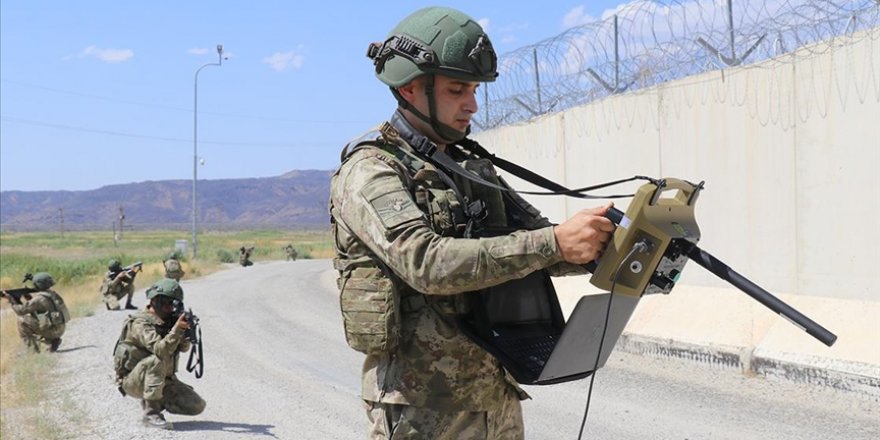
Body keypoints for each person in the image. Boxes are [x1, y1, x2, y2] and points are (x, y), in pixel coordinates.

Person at [330, 6, 615, 439]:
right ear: (410, 89)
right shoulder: (371, 170)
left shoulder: (467, 166)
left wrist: (611, 247)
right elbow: (424, 261)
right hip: (421, 404)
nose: (473, 105)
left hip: (491, 390)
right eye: (458, 89)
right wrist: (554, 244)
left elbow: (537, 244)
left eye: (474, 90)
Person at [113, 278, 205, 430]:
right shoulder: (140, 323)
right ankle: (151, 413)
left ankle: (154, 399)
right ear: (155, 300)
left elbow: (182, 349)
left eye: (174, 304)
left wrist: (185, 333)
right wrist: (176, 330)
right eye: (167, 303)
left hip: (161, 378)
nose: (170, 308)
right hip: (133, 381)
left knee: (197, 405)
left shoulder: (167, 320)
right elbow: (160, 350)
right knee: (157, 359)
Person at [3, 272, 69, 353]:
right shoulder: (53, 294)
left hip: (52, 331)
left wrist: (12, 300)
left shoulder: (38, 299)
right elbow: (42, 309)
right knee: (36, 316)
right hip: (60, 329)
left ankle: (33, 351)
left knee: (22, 320)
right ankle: (51, 341)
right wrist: (29, 299)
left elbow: (20, 311)